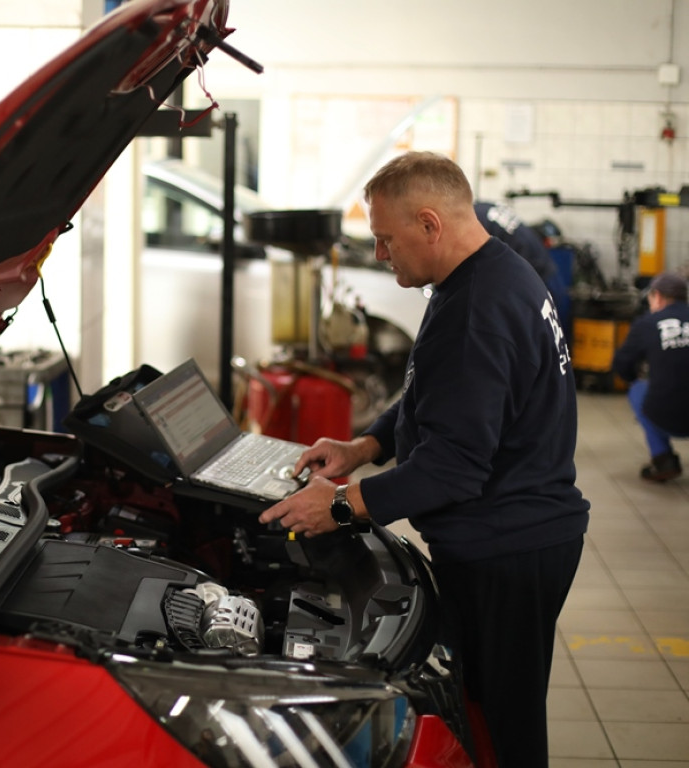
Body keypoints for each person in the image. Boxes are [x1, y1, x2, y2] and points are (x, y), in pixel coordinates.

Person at [259, 151, 590, 768]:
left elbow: (454, 466)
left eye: (386, 239)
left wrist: (340, 505)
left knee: (505, 727)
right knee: (491, 713)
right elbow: (436, 397)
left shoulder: (476, 312)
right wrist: (364, 448)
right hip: (521, 536)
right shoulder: (489, 274)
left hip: (509, 547)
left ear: (430, 224)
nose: (381, 255)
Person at [612, 271, 689, 481]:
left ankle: (663, 458)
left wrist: (635, 376)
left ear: (658, 296)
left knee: (638, 389)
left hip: (667, 416)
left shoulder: (647, 324)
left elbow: (621, 365)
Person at [475, 200, 571, 336]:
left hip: (537, 275)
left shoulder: (474, 221)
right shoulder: (482, 208)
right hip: (544, 265)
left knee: (548, 335)